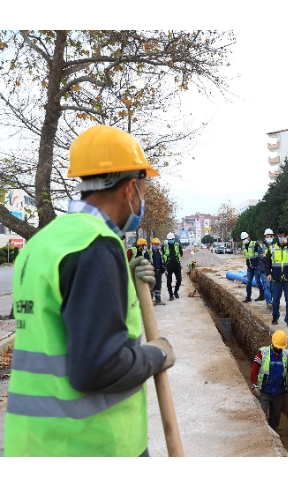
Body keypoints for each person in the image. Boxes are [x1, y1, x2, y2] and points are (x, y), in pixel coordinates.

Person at [4, 125, 176, 457]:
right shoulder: (96, 245)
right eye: (143, 187)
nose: (143, 197)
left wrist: (120, 278)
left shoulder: (44, 242)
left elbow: (61, 323)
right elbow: (99, 367)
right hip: (90, 445)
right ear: (129, 188)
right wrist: (157, 355)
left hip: (35, 444)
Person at [250, 330, 288, 431]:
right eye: (278, 347)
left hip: (279, 393)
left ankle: (273, 435)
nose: (279, 349)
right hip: (265, 392)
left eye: (281, 348)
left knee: (275, 417)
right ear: (273, 343)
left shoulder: (285, 354)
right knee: (261, 415)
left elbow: (286, 369)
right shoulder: (262, 353)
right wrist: (254, 386)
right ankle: (263, 433)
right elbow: (254, 369)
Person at [266, 227, 288, 327]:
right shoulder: (272, 248)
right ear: (277, 236)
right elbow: (267, 262)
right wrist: (268, 273)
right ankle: (275, 316)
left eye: (284, 236)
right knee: (275, 300)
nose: (282, 238)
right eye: (280, 236)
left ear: (287, 236)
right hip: (276, 279)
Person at [240, 231, 265, 303]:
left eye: (244, 238)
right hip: (250, 267)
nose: (244, 240)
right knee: (248, 282)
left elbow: (261, 254)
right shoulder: (244, 246)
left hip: (257, 266)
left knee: (257, 281)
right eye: (242, 239)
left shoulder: (255, 244)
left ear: (248, 237)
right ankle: (248, 297)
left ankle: (262, 295)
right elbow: (247, 256)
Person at [163, 232, 183, 301]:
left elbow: (181, 253)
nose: (171, 240)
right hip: (168, 266)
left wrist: (177, 259)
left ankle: (175, 292)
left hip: (177, 265)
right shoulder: (164, 246)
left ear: (174, 239)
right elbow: (162, 255)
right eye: (169, 239)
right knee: (169, 281)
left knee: (179, 279)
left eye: (172, 239)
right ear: (167, 239)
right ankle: (171, 295)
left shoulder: (177, 245)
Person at [259, 228, 275, 311]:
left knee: (273, 288)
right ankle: (269, 303)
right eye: (267, 236)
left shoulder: (276, 246)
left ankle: (271, 302)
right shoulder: (261, 246)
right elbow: (262, 258)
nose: (269, 238)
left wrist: (267, 256)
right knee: (267, 286)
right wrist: (269, 257)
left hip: (274, 269)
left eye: (271, 236)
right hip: (263, 270)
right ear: (265, 237)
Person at [150, 237, 166, 306]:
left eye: (157, 244)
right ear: (152, 245)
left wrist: (165, 269)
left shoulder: (160, 253)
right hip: (151, 272)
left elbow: (163, 261)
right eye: (155, 244)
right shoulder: (149, 253)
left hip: (159, 271)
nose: (156, 245)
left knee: (158, 286)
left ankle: (158, 300)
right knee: (151, 287)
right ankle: (150, 301)